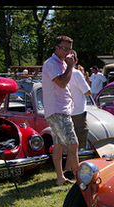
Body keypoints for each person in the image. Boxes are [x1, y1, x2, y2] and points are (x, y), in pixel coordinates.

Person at [42, 35, 79, 186]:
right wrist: (71, 66)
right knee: (73, 143)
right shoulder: (51, 64)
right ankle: (80, 179)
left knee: (59, 145)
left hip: (61, 109)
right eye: (65, 49)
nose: (68, 53)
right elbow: (62, 83)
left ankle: (60, 178)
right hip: (58, 110)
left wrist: (69, 65)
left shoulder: (61, 63)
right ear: (56, 48)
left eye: (70, 49)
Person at [69, 50, 92, 150]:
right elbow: (87, 92)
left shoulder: (59, 72)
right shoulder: (76, 73)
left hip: (64, 111)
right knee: (80, 141)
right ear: (76, 61)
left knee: (68, 142)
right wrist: (82, 76)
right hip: (78, 111)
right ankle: (78, 162)